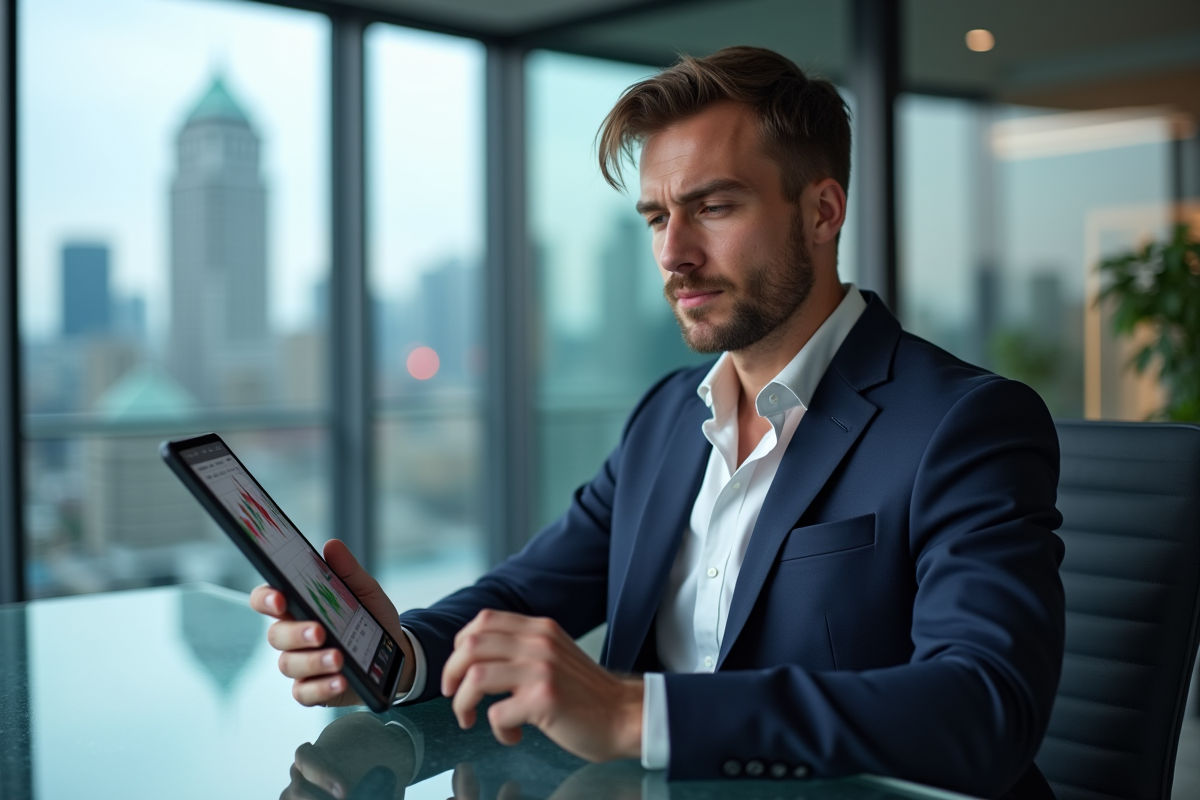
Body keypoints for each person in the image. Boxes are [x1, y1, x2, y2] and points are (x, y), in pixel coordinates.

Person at [252, 46, 1064, 799]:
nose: (674, 252)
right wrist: (395, 652)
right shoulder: (668, 416)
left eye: (712, 206)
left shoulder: (967, 424)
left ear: (822, 212)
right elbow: (525, 594)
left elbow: (985, 707)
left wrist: (637, 713)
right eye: (654, 217)